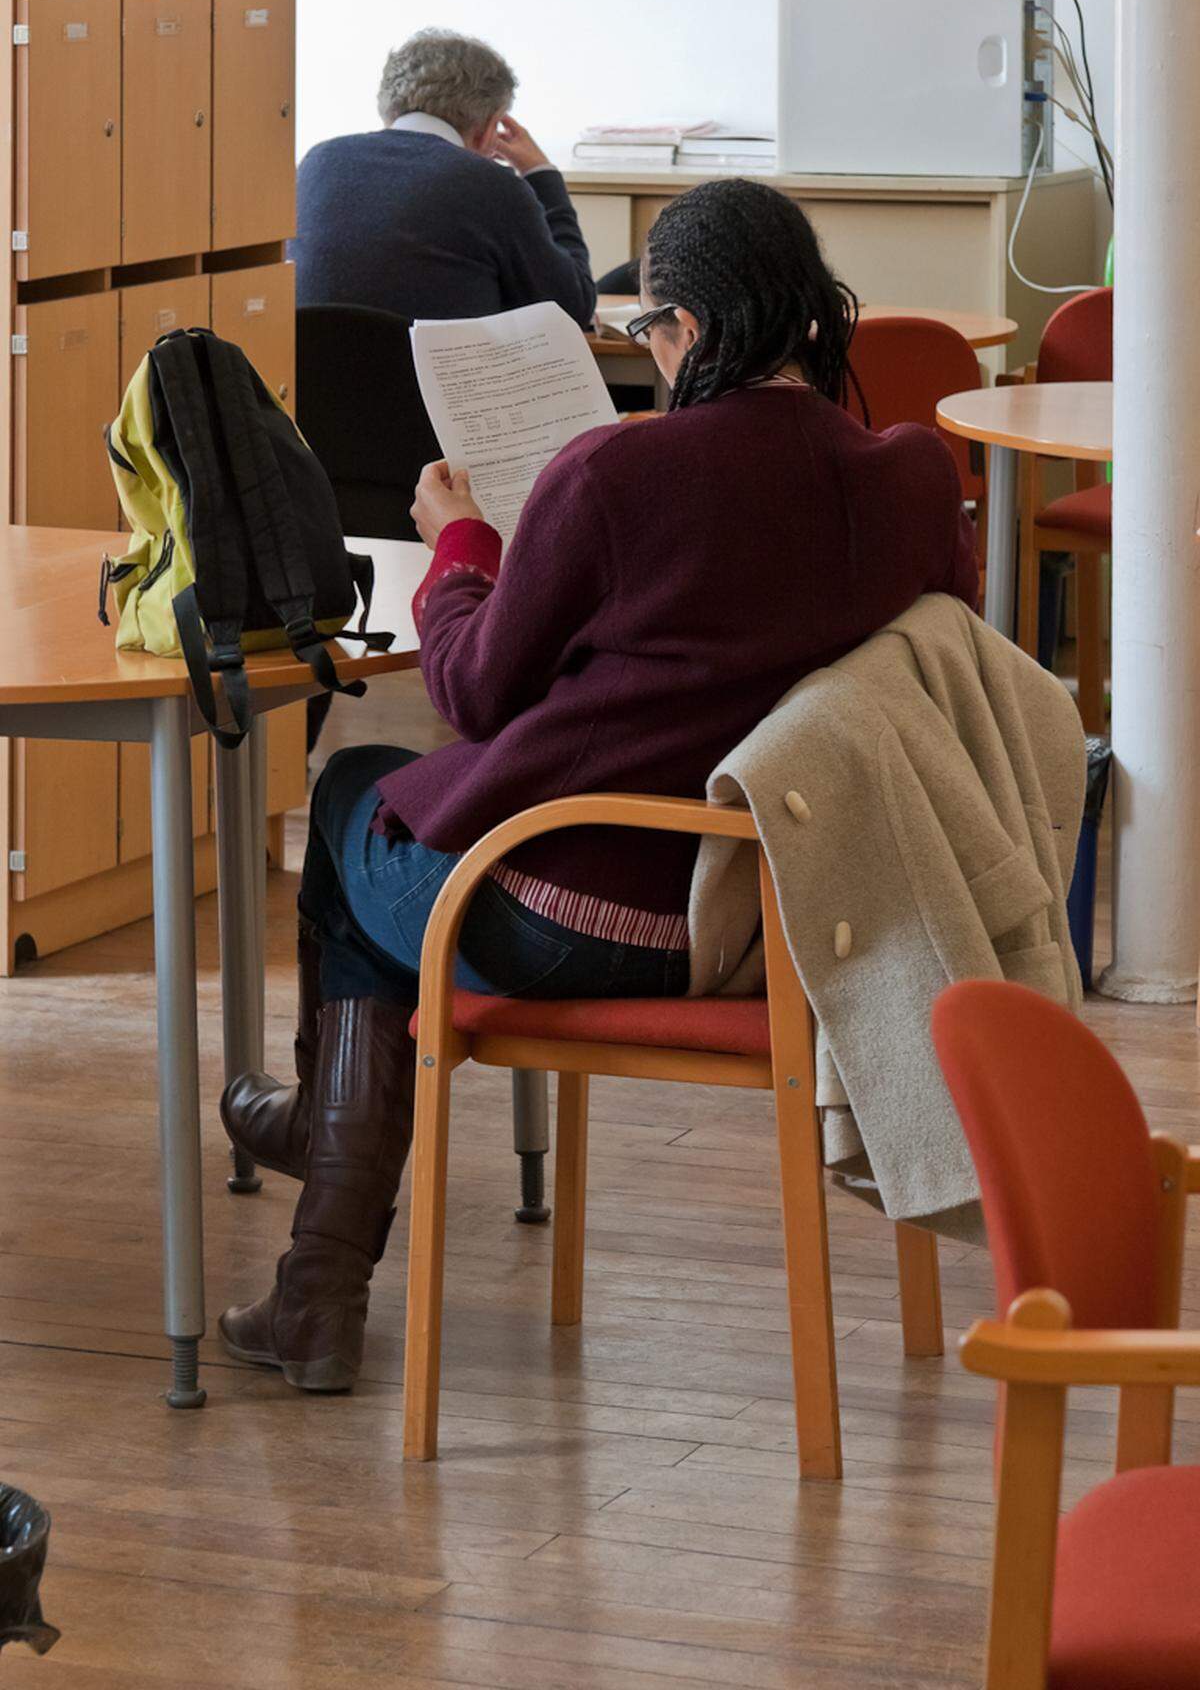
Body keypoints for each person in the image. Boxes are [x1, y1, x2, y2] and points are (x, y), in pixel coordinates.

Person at [220, 178, 979, 1393]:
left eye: (646, 336)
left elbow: (472, 689)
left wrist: (463, 546)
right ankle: (315, 1207)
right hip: (771, 912)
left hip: (568, 910)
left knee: (362, 795)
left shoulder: (615, 478)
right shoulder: (912, 479)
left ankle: (322, 1216)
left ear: (681, 326)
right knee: (383, 820)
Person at [291, 27, 595, 329]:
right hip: (434, 377)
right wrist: (541, 174)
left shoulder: (316, 162)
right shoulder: (490, 184)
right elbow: (572, 307)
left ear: (386, 104)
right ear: (491, 127)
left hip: (307, 376)